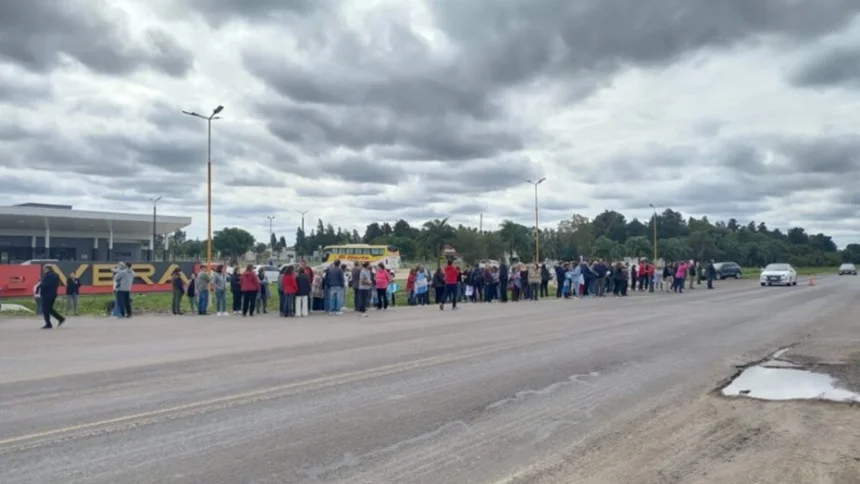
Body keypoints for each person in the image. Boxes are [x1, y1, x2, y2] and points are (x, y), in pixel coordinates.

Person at [38, 264, 65, 329]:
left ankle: (48, 324)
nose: (43, 270)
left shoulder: (48, 276)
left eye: (44, 269)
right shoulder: (55, 275)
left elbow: (45, 285)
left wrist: (40, 285)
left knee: (45, 309)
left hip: (47, 295)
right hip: (53, 294)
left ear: (47, 269)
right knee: (49, 309)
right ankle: (60, 318)